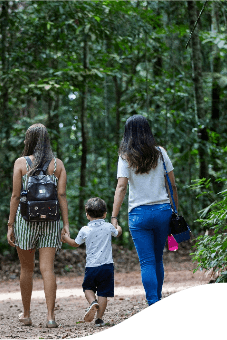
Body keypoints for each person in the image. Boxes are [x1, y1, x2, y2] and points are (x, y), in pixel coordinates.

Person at [7, 123, 70, 328]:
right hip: (51, 222)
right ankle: (51, 317)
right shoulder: (57, 165)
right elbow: (61, 195)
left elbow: (16, 196)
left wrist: (10, 225)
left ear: (29, 140)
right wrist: (66, 224)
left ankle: (26, 314)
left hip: (25, 221)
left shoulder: (21, 163)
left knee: (26, 269)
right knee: (47, 269)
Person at [111, 114, 178, 306]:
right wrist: (174, 210)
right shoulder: (160, 153)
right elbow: (172, 185)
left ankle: (152, 301)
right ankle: (156, 299)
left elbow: (121, 187)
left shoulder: (125, 157)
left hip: (139, 215)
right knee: (157, 259)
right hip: (162, 211)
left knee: (147, 262)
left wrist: (114, 217)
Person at [62, 197, 122, 326]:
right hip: (107, 266)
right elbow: (117, 233)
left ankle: (92, 302)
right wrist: (119, 227)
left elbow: (75, 243)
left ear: (87, 215)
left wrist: (66, 238)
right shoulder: (108, 227)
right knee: (103, 293)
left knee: (88, 287)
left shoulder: (85, 230)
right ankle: (99, 319)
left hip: (92, 267)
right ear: (105, 214)